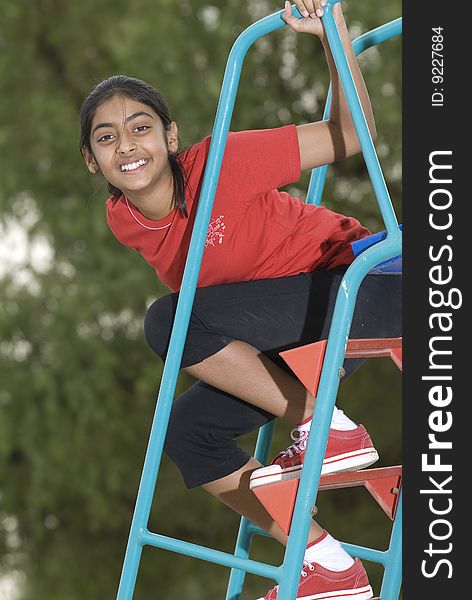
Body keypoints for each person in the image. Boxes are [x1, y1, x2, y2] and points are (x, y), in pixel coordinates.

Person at [79, 1, 401, 598]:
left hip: (364, 285)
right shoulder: (123, 220)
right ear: (92, 159)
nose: (127, 145)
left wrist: (330, 34)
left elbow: (356, 134)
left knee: (170, 322)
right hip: (300, 329)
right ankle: (326, 564)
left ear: (170, 136)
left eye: (141, 127)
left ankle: (326, 426)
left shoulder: (220, 162)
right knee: (189, 434)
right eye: (107, 137)